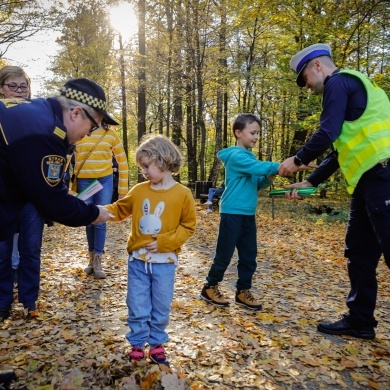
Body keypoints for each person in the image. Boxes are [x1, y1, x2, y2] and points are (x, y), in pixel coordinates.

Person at [278, 43, 390, 340]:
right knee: (359, 254)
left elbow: (327, 134)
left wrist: (297, 159)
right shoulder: (351, 89)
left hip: (384, 176)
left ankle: (360, 320)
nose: (305, 87)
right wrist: (311, 181)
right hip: (366, 184)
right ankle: (360, 321)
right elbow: (339, 149)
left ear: (317, 66)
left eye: (303, 79)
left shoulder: (339, 82)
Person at [0, 77, 112, 322]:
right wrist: (94, 214)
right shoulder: (47, 135)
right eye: (92, 127)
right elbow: (52, 201)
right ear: (75, 113)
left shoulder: (37, 111)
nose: (88, 135)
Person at [105, 134, 196, 367]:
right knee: (136, 303)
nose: (144, 171)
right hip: (138, 261)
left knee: (161, 305)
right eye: (142, 167)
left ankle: (157, 343)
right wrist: (95, 211)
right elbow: (119, 210)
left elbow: (188, 226)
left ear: (163, 160)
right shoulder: (139, 190)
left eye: (147, 166)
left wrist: (166, 241)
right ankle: (137, 343)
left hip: (165, 263)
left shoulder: (183, 194)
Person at [200, 113, 280, 310]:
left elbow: (258, 184)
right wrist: (283, 166)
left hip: (247, 214)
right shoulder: (236, 156)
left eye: (258, 133)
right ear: (238, 132)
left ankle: (243, 291)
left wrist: (268, 178)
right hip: (232, 213)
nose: (255, 137)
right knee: (224, 254)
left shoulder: (249, 158)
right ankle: (210, 287)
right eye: (252, 132)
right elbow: (258, 167)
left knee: (248, 256)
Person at [0, 65, 43, 314]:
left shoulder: (39, 115)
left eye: (23, 86)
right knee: (3, 251)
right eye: (12, 86)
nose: (18, 91)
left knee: (31, 249)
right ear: (2, 89)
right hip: (4, 197)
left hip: (32, 197)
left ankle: (29, 302)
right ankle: (3, 302)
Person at [72, 116, 128, 279]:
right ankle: (91, 260)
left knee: (101, 219)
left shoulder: (111, 134)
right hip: (84, 180)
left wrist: (122, 191)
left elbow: (122, 162)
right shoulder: (79, 131)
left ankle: (98, 260)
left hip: (104, 180)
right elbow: (67, 155)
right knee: (88, 218)